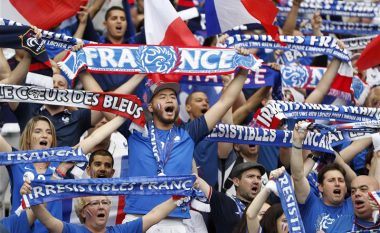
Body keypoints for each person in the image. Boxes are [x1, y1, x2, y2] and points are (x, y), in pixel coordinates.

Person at [120, 48, 251, 231]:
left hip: (176, 220)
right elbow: (107, 103)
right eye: (163, 97)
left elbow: (224, 102)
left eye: (173, 97)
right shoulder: (135, 130)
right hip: (137, 218)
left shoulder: (189, 132)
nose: (169, 100)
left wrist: (244, 70)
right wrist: (140, 73)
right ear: (150, 106)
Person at [0, 114, 126, 233]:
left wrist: (124, 116)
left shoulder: (60, 162)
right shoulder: (17, 160)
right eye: (38, 131)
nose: (44, 135)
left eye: (49, 132)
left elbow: (94, 138)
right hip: (19, 229)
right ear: (28, 138)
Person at [21, 179, 186, 233]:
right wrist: (32, 199)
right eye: (95, 203)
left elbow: (154, 215)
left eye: (105, 203)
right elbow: (49, 221)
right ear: (83, 212)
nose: (101, 207)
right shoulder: (74, 231)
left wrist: (179, 196)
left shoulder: (119, 231)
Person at [291, 121, 354, 232]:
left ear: (346, 188)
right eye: (331, 180)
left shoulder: (353, 204)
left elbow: (358, 182)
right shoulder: (310, 203)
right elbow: (298, 177)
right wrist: (298, 142)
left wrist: (329, 150)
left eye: (341, 180)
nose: (337, 183)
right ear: (320, 187)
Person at [196, 161, 266, 233]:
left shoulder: (266, 208)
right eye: (250, 176)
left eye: (259, 178)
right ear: (236, 181)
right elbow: (196, 178)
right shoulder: (224, 203)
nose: (256, 181)